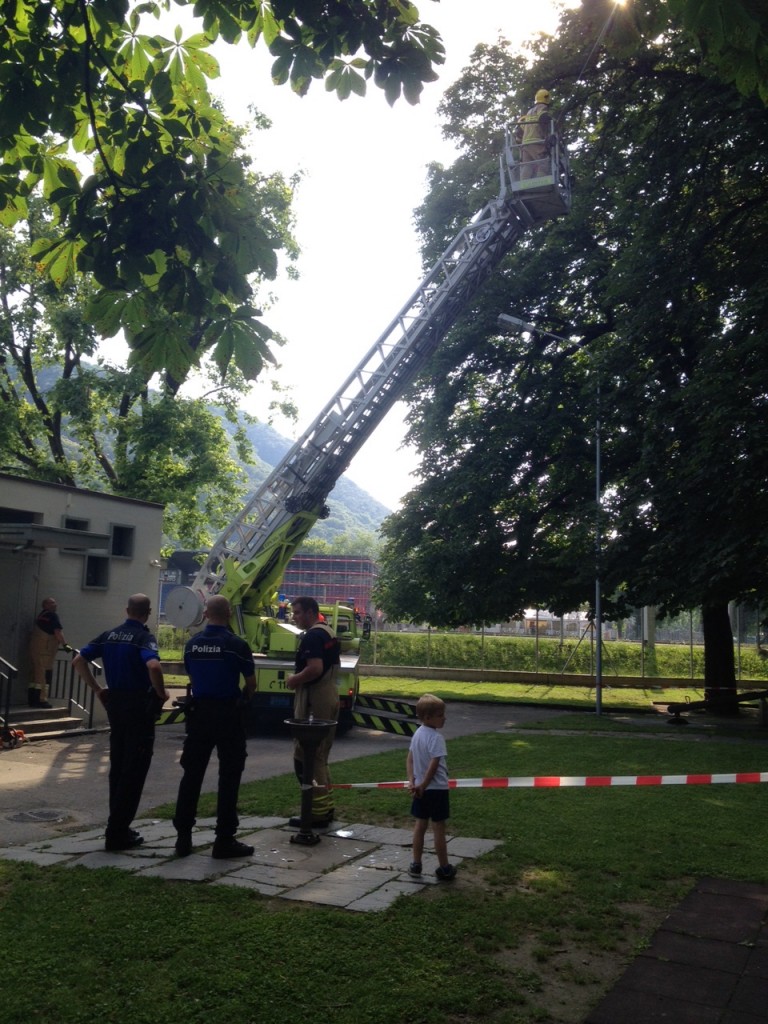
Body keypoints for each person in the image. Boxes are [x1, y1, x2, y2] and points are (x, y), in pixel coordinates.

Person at [72, 594, 168, 852]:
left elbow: (78, 660)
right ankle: (117, 832)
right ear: (147, 613)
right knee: (134, 769)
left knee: (118, 766)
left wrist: (97, 689)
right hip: (139, 708)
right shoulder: (143, 638)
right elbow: (154, 667)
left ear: (127, 610)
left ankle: (117, 825)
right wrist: (161, 694)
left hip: (116, 705)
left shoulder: (108, 635)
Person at [173, 595, 257, 859]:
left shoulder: (192, 645)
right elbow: (251, 683)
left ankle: (183, 838)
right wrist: (243, 699)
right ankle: (224, 840)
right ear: (229, 614)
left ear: (206, 614)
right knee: (229, 776)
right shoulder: (237, 645)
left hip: (199, 715)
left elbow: (192, 675)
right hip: (228, 715)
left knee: (192, 775)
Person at [285, 596, 340, 827]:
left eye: (297, 613)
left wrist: (294, 679)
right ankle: (324, 809)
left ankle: (314, 813)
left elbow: (314, 668)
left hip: (314, 700)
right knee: (320, 757)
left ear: (310, 612)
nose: (294, 617)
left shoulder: (313, 636)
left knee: (306, 757)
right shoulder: (328, 631)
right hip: (329, 695)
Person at [406, 693, 457, 881]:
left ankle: (416, 864)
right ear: (427, 717)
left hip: (420, 789)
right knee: (438, 828)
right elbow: (434, 765)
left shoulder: (417, 734)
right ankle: (444, 867)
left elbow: (410, 760)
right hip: (437, 790)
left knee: (420, 825)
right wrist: (423, 784)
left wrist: (413, 782)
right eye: (440, 714)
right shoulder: (436, 738)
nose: (444, 718)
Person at [29, 597, 67, 707]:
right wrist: (67, 647)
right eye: (51, 603)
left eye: (55, 602)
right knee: (43, 675)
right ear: (45, 605)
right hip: (46, 650)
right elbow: (58, 632)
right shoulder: (52, 616)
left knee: (34, 674)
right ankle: (42, 700)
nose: (54, 605)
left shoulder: (41, 616)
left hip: (35, 650)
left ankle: (32, 699)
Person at [516, 87, 552, 180]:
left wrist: (520, 143)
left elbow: (519, 131)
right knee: (543, 163)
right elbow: (543, 117)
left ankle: (524, 183)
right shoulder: (542, 107)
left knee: (527, 165)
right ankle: (542, 180)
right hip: (536, 142)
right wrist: (551, 124)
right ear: (547, 98)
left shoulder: (529, 112)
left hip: (525, 144)